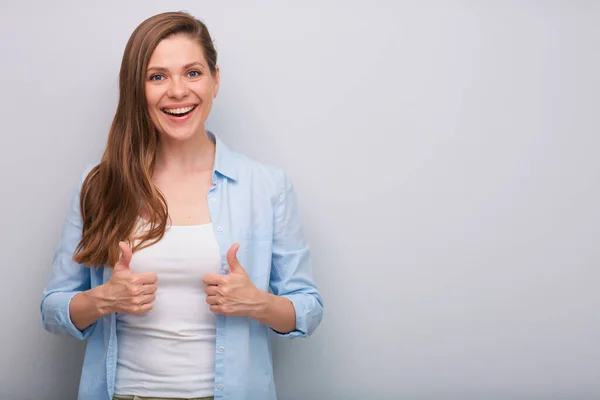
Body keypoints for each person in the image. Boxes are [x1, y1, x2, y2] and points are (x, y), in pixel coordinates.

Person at [40, 11, 323, 400]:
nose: (177, 91)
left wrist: (257, 303)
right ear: (137, 89)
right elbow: (52, 308)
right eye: (157, 76)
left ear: (215, 80)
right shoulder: (100, 184)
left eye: (192, 73)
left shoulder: (267, 186)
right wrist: (104, 298)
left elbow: (307, 308)